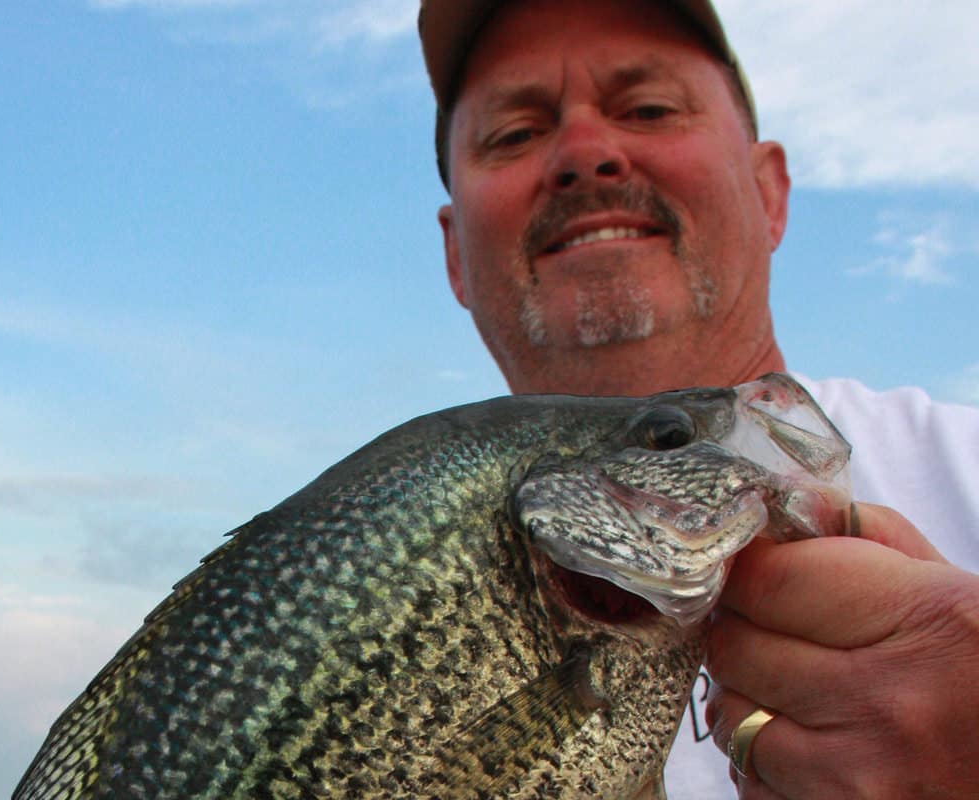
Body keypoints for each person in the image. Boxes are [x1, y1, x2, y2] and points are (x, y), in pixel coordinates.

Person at [417, 0, 979, 797]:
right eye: (515, 133)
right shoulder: (363, 601)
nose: (584, 152)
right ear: (454, 260)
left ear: (769, 191)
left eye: (646, 109)